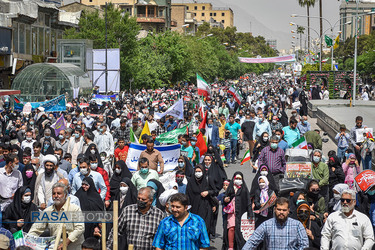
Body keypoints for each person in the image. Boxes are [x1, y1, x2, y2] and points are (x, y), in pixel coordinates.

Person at [28, 182, 85, 250]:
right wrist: (28, 240)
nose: (56, 196)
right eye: (54, 193)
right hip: (56, 247)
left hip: (74, 247)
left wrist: (66, 242)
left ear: (65, 195)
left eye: (59, 193)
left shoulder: (74, 209)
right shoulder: (47, 211)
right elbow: (36, 229)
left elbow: (80, 228)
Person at [242, 197, 309, 250]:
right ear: (274, 209)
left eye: (284, 210)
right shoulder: (266, 225)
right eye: (279, 210)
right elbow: (252, 242)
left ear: (288, 210)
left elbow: (304, 245)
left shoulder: (297, 226)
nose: (281, 212)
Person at [186, 165, 218, 238]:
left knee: (205, 227)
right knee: (195, 227)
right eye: (196, 171)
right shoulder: (191, 181)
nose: (198, 173)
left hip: (206, 206)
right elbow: (187, 194)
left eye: (199, 171)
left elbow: (215, 191)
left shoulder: (207, 180)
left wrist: (208, 192)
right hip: (194, 208)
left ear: (203, 172)